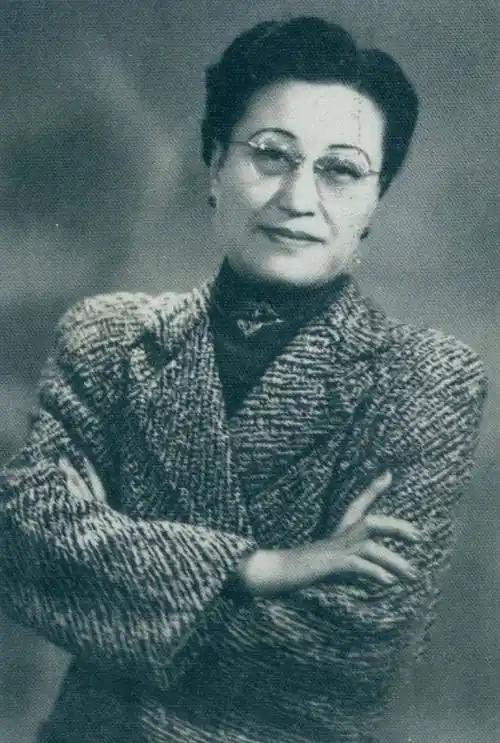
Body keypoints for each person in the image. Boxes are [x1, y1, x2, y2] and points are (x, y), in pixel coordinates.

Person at [0, 16, 487, 743]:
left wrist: (111, 567)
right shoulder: (105, 338)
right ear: (213, 164)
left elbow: (357, 653)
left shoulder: (424, 377)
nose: (297, 197)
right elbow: (19, 549)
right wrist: (258, 568)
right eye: (271, 155)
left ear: (375, 202)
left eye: (341, 169)